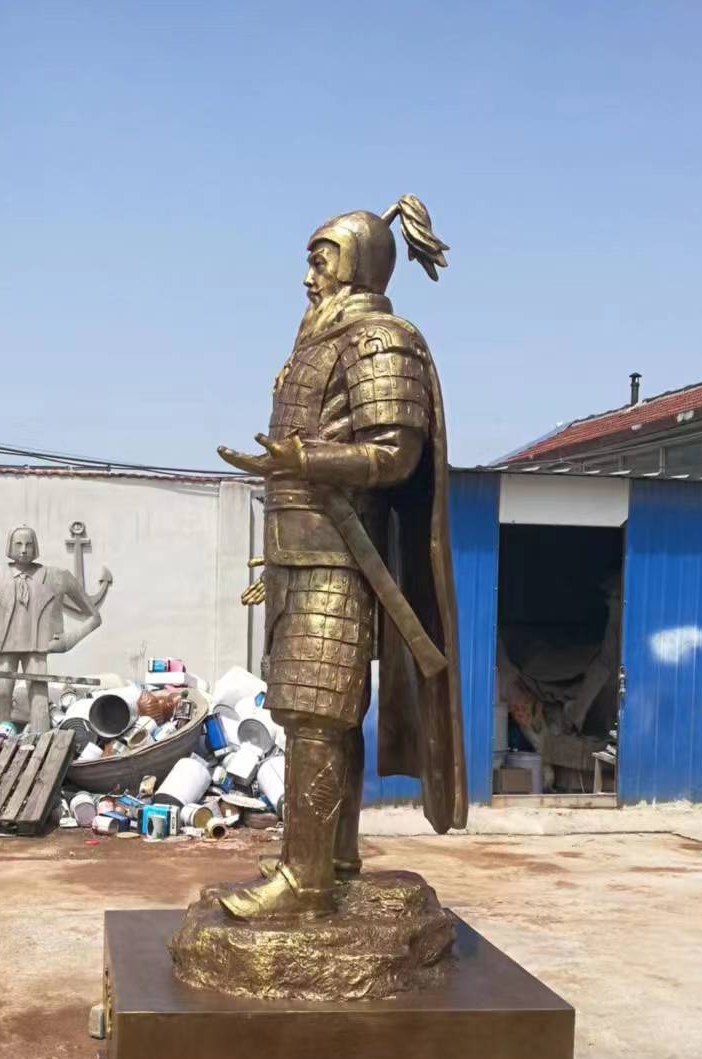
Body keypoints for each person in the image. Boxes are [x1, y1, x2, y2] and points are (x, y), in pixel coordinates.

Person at [214, 196, 466, 918]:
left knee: (317, 714)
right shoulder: (318, 342)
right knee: (317, 715)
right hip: (300, 555)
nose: (308, 275)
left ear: (357, 263)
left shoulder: (382, 339)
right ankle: (331, 859)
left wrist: (306, 458)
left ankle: (306, 881)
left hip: (342, 558)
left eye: (320, 259)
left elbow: (395, 453)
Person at [0, 526, 102, 733]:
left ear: (36, 547)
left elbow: (94, 617)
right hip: (3, 647)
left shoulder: (58, 577)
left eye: (28, 544)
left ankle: (41, 741)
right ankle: (0, 740)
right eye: (18, 544)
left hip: (37, 647)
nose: (23, 549)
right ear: (9, 546)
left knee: (39, 698)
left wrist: (70, 640)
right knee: (2, 694)